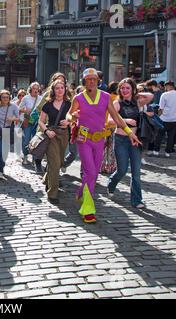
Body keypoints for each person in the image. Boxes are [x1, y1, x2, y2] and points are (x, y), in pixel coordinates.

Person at [67, 68, 141, 223]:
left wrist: (130, 133)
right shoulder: (78, 98)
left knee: (92, 173)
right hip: (84, 138)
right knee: (91, 173)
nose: (92, 81)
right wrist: (72, 117)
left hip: (99, 140)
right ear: (84, 81)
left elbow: (117, 117)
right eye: (88, 79)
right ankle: (88, 209)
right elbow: (69, 114)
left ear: (98, 81)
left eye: (94, 79)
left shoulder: (106, 97)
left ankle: (81, 193)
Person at [107, 78, 154, 209]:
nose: (125, 90)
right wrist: (125, 120)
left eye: (128, 88)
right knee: (121, 170)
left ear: (132, 89)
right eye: (122, 88)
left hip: (135, 140)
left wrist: (137, 94)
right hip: (121, 139)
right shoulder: (117, 103)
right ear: (119, 90)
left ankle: (137, 200)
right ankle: (111, 183)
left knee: (136, 173)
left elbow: (151, 96)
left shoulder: (137, 102)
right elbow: (110, 121)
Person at [38, 80, 71, 204]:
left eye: (62, 88)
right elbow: (40, 121)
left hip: (64, 135)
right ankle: (53, 193)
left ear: (65, 89)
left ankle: (48, 179)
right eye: (57, 88)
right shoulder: (48, 104)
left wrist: (69, 122)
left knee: (59, 162)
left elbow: (75, 118)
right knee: (55, 163)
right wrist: (46, 131)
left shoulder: (69, 104)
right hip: (52, 135)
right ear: (53, 90)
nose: (60, 90)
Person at [0, 90, 20, 180]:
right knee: (0, 151)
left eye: (7, 98)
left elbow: (18, 119)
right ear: (0, 98)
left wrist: (12, 119)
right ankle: (0, 171)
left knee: (4, 152)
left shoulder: (14, 106)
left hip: (7, 130)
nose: (5, 99)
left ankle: (1, 167)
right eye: (3, 97)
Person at [154, 81, 176, 157]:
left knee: (160, 135)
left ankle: (156, 150)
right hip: (175, 119)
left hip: (165, 118)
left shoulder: (165, 94)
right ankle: (168, 152)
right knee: (171, 136)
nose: (165, 88)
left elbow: (161, 108)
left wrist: (158, 117)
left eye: (165, 87)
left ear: (168, 86)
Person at [18, 82, 43, 166]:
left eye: (37, 88)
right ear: (31, 89)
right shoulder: (26, 98)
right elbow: (19, 108)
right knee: (26, 140)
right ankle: (25, 156)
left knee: (36, 141)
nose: (36, 90)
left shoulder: (41, 98)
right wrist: (25, 110)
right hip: (28, 121)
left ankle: (34, 159)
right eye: (34, 88)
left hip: (37, 122)